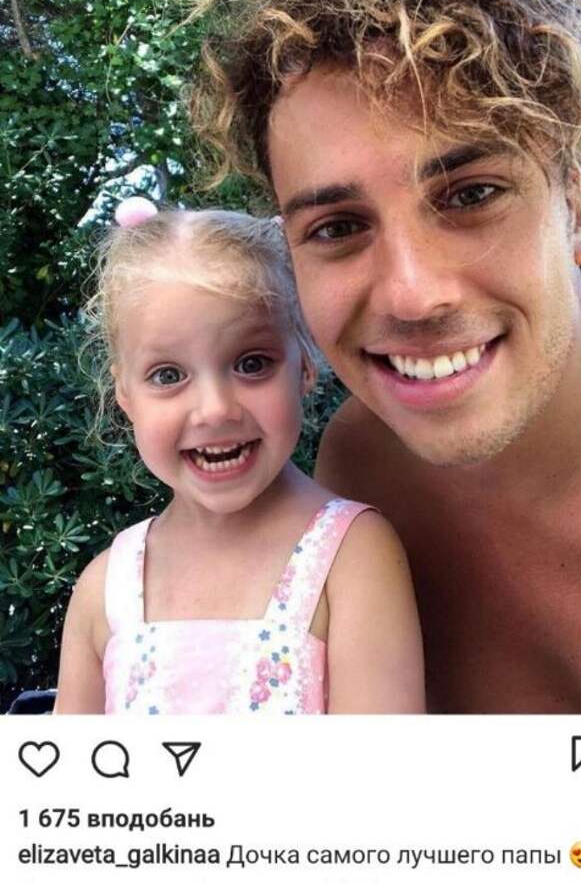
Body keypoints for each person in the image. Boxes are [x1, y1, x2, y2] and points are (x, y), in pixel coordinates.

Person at [192, 0, 581, 712]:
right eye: (337, 228)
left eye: (471, 195)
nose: (413, 295)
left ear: (579, 209)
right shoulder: (363, 472)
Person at [54, 200, 424, 714]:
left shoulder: (353, 556)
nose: (215, 410)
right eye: (168, 375)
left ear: (304, 366)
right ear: (124, 393)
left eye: (251, 364)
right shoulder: (103, 590)